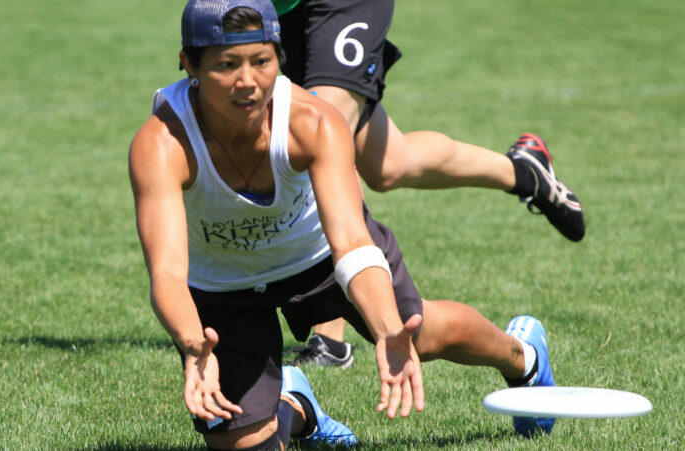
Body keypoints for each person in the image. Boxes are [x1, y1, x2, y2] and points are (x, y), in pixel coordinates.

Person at [129, 1, 555, 448]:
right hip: (223, 284)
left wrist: (388, 327)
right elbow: (169, 273)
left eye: (262, 62)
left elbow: (352, 240)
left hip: (319, 253)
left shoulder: (313, 121)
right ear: (189, 65)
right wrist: (193, 343)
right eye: (226, 65)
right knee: (244, 442)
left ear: (279, 57)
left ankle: (522, 358)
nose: (247, 82)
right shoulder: (160, 144)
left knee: (420, 335)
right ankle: (297, 408)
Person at [272, 0, 586, 368]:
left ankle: (331, 334)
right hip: (278, 11)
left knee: (323, 134)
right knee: (387, 164)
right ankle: (523, 172)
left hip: (341, 4)